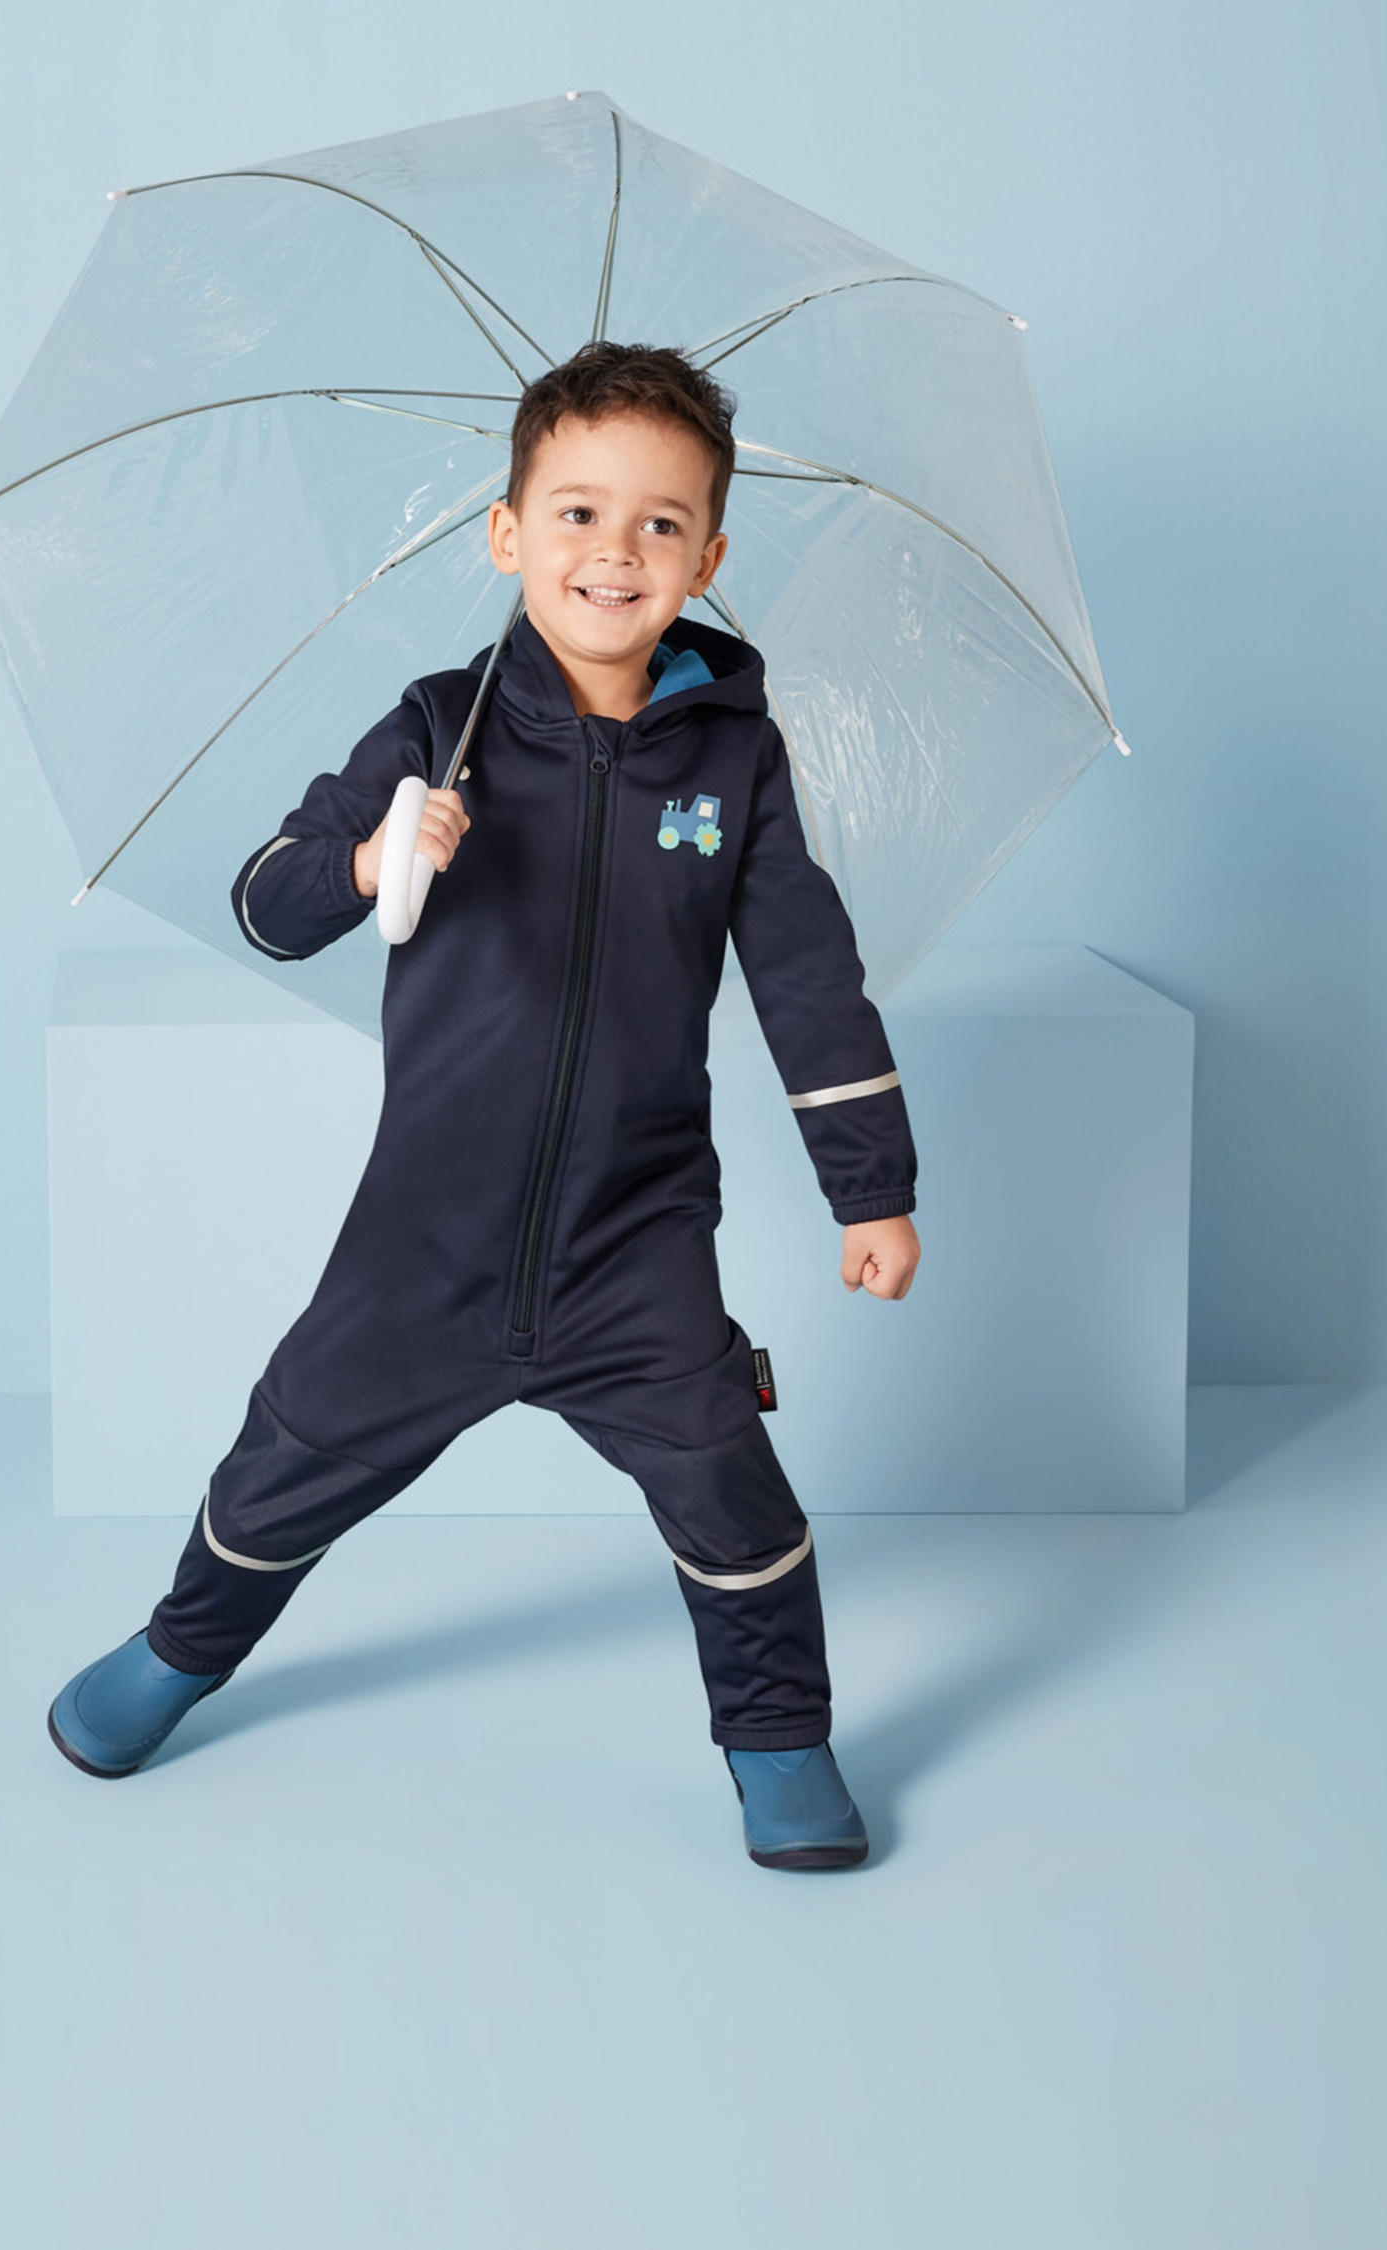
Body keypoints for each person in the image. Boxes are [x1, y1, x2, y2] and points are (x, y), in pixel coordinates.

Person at [46, 344, 920, 1870]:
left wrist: (873, 1185)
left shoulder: (736, 760)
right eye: (577, 513)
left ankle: (780, 1736)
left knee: (729, 1484)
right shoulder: (436, 728)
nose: (616, 552)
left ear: (709, 559)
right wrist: (372, 860)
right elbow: (267, 902)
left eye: (660, 524)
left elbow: (809, 977)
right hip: (428, 1234)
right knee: (288, 1452)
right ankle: (180, 1647)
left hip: (636, 1239)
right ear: (509, 532)